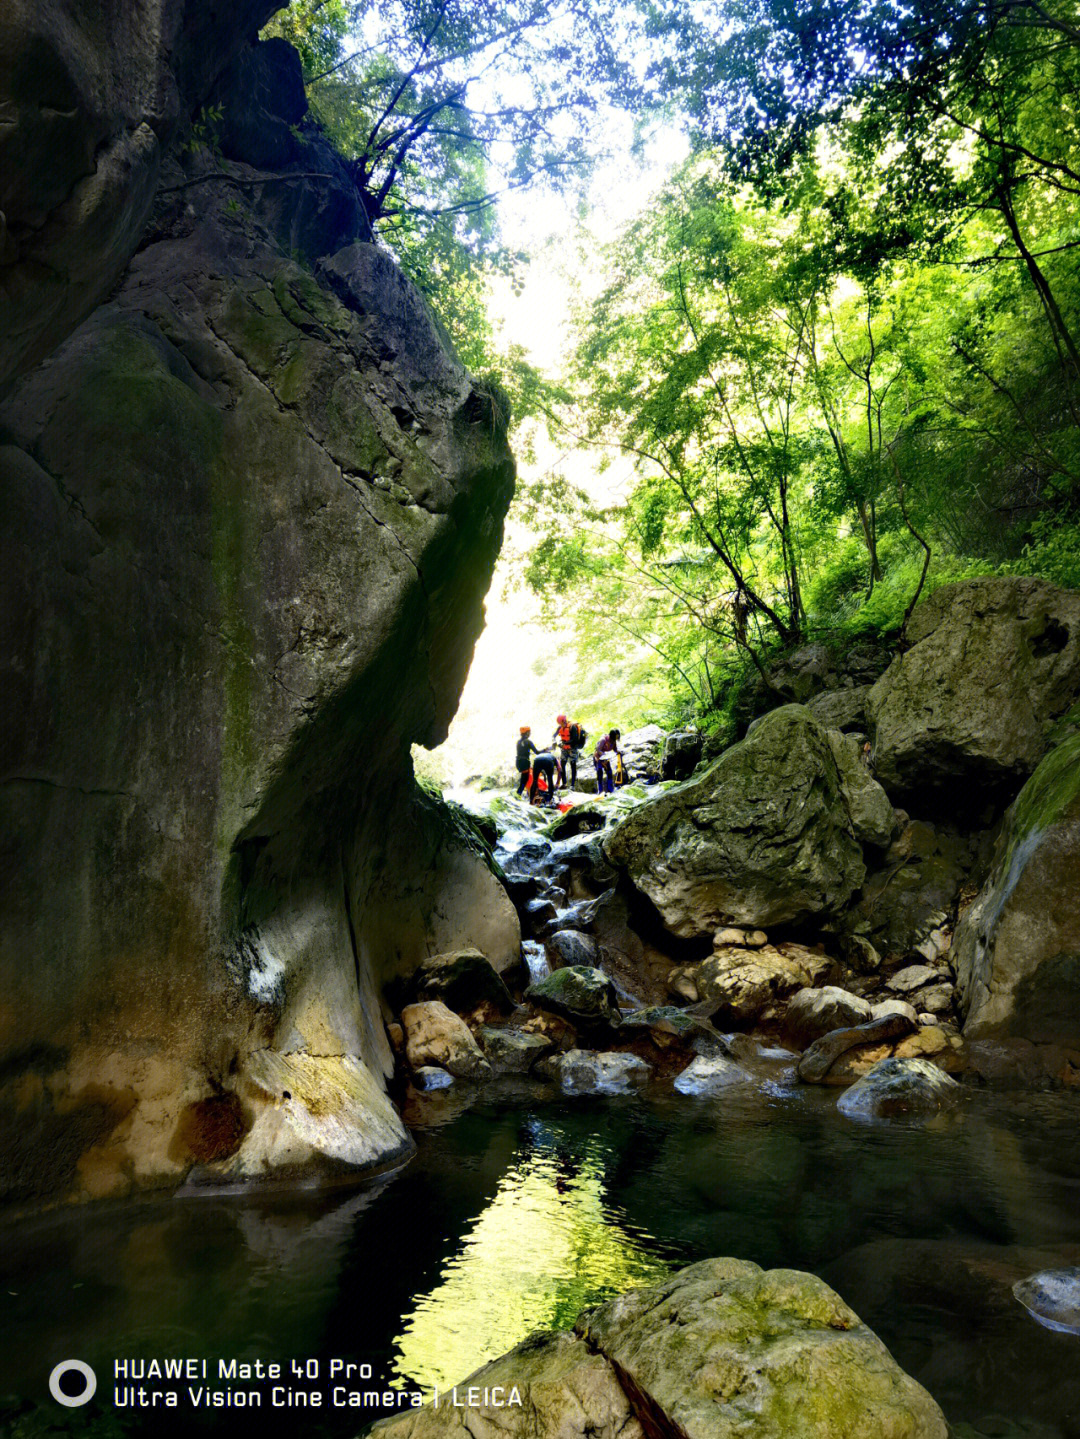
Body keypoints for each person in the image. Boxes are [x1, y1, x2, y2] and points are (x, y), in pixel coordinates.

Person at [593, 728, 623, 794]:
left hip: (606, 758)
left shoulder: (613, 741)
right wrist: (604, 755)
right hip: (598, 758)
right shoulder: (603, 740)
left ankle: (610, 790)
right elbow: (598, 749)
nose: (616, 739)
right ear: (612, 736)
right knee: (600, 774)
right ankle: (600, 791)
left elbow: (615, 749)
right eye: (616, 737)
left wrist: (618, 752)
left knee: (609, 773)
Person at [516, 725, 538, 795]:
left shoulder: (518, 742)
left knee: (524, 780)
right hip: (524, 762)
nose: (530, 734)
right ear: (527, 733)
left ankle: (525, 793)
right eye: (529, 732)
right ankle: (518, 794)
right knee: (524, 781)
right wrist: (546, 750)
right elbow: (537, 752)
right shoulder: (528, 742)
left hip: (518, 762)